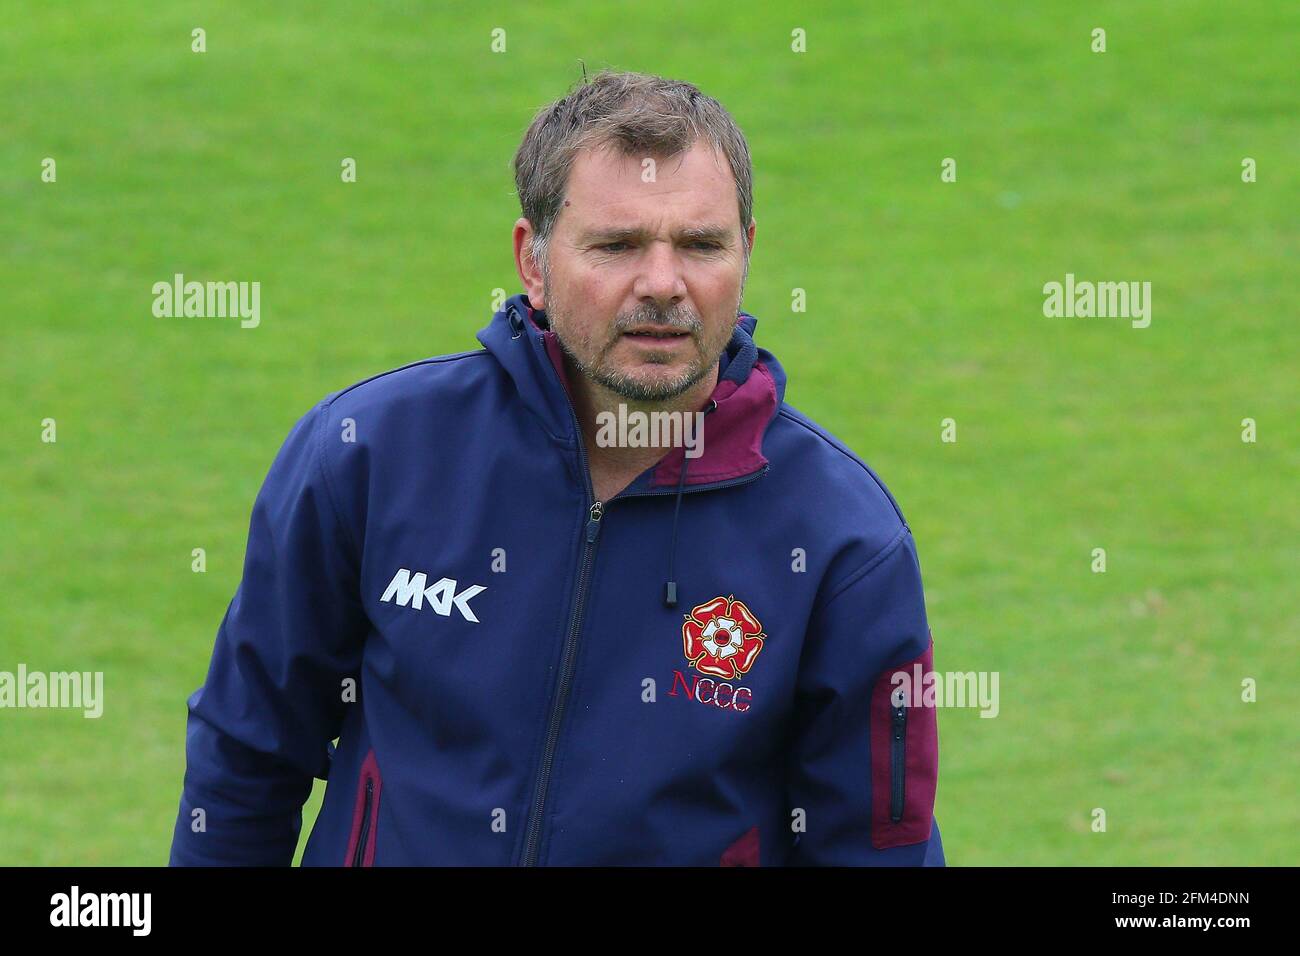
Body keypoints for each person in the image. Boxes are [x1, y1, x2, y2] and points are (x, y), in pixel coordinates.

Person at [168, 69, 945, 866]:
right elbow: (247, 754)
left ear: (747, 251)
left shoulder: (843, 540)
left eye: (701, 245)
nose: (663, 285)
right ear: (532, 263)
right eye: (616, 245)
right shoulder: (371, 454)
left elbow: (879, 848)